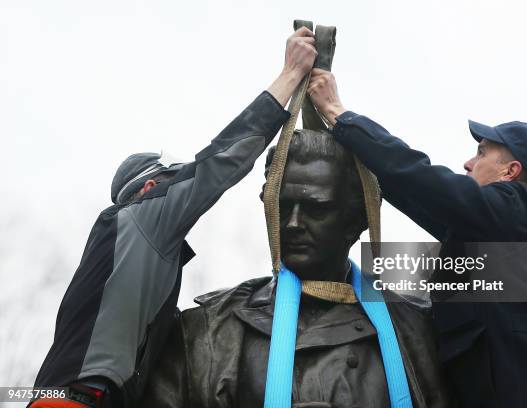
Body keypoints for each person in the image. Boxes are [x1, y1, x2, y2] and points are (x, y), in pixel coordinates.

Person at [30, 27, 319, 408]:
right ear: (149, 189)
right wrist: (290, 75)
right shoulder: (140, 220)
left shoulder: (123, 255)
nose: (179, 189)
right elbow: (218, 163)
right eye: (171, 180)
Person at [306, 68, 527, 407]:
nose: (467, 163)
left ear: (510, 172)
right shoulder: (494, 229)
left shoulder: (518, 209)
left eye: (481, 153)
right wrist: (355, 149)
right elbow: (414, 192)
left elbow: (420, 176)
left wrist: (339, 114)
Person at [139, 129, 452, 408]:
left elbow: (497, 259)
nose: (292, 224)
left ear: (356, 221)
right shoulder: (206, 329)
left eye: (317, 209)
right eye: (282, 207)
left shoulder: (415, 329)